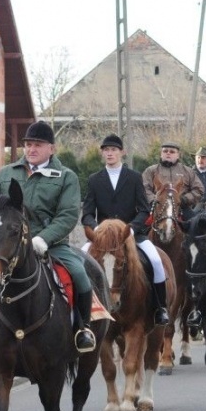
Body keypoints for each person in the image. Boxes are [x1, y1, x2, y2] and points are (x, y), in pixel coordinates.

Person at [0, 121, 96, 358]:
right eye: (28, 144)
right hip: (9, 245)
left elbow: (68, 215)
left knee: (80, 274)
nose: (31, 149)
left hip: (50, 244)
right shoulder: (6, 173)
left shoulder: (66, 177)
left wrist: (44, 239)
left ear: (51, 148)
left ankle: (83, 328)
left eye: (38, 145)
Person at [81, 134, 169, 326]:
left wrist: (132, 229)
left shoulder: (134, 177)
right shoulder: (94, 179)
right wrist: (97, 229)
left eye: (113, 150)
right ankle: (82, 311)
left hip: (130, 234)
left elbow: (144, 210)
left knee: (155, 260)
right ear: (102, 153)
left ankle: (160, 307)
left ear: (122, 152)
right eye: (106, 150)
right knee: (80, 260)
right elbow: (87, 213)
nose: (109, 153)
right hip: (103, 238)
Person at [142, 142, 204, 221]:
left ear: (178, 155)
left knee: (195, 224)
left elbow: (199, 189)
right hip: (156, 207)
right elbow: (143, 188)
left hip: (182, 208)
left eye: (172, 152)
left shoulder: (188, 171)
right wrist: (154, 200)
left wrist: (185, 199)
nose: (168, 153)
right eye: (165, 151)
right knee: (140, 225)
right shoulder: (150, 170)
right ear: (161, 154)